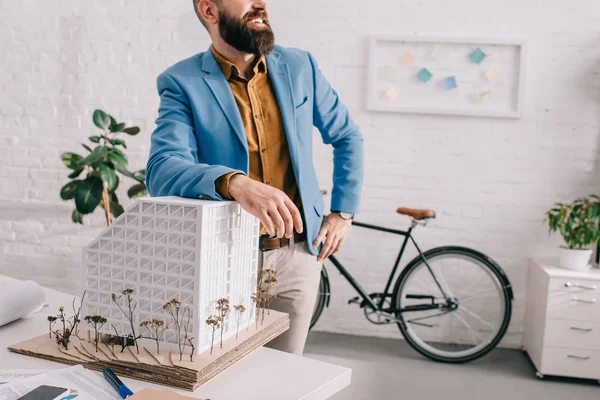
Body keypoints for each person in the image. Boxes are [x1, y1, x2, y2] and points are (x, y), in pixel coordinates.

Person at [146, 0, 363, 355]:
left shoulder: (300, 66)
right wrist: (235, 183)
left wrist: (343, 213)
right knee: (220, 374)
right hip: (224, 259)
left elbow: (347, 136)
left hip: (298, 260)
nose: (260, 3)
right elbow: (162, 169)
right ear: (209, 11)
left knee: (282, 379)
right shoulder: (181, 82)